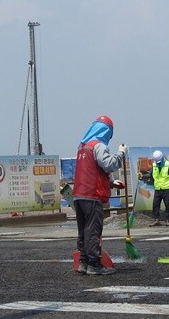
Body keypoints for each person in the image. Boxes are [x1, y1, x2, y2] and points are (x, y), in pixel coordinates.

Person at [72, 115, 127, 275]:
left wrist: (111, 183)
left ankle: (83, 262)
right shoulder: (98, 146)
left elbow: (90, 173)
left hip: (79, 195)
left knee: (83, 230)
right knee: (93, 229)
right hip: (92, 195)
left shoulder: (82, 147)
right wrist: (120, 153)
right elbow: (109, 164)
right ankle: (94, 265)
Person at [149, 150, 169, 227]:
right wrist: (142, 176)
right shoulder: (154, 165)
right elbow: (150, 175)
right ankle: (156, 220)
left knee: (168, 205)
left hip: (167, 188)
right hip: (158, 189)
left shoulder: (167, 164)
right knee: (155, 204)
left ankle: (168, 220)